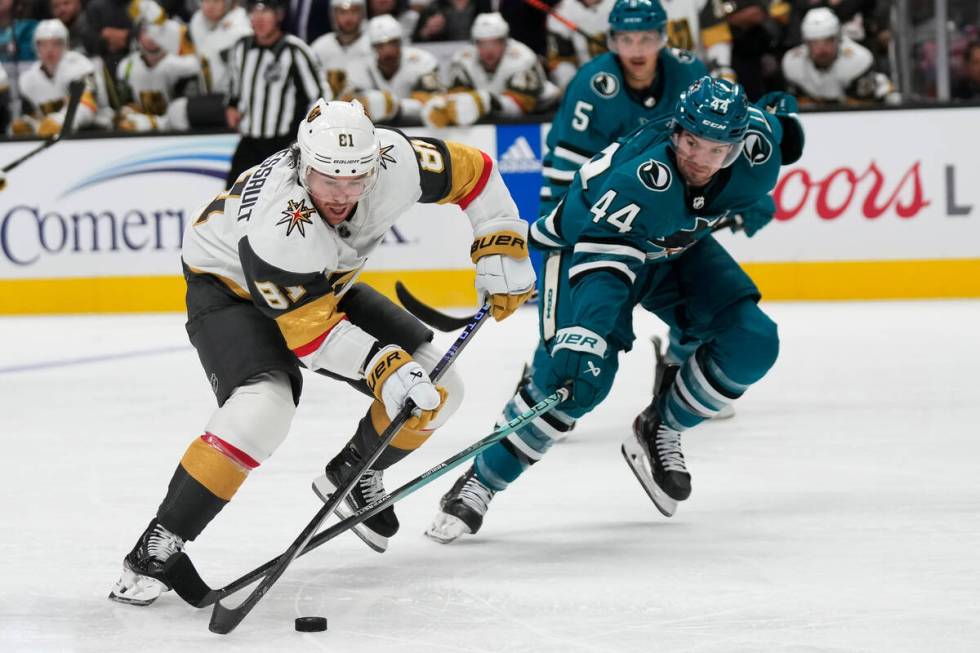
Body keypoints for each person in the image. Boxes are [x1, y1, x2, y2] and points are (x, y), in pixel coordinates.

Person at [108, 98, 536, 606]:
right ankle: (157, 545)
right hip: (229, 288)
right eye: (329, 180)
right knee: (263, 408)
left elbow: (475, 173)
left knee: (441, 386)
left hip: (321, 282)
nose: (342, 195)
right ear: (301, 164)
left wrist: (501, 238)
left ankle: (356, 473)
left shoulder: (394, 159)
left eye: (357, 179)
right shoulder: (276, 226)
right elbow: (310, 336)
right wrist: (382, 365)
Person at [426, 76, 804, 543]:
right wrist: (588, 333)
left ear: (739, 144)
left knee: (753, 341)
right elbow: (603, 268)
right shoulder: (637, 180)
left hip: (671, 251)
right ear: (675, 133)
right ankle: (481, 480)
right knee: (576, 380)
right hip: (592, 248)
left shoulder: (757, 150)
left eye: (717, 150)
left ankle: (659, 428)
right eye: (691, 143)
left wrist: (787, 121)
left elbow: (778, 127)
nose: (701, 160)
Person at [539, 0, 705, 222]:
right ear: (613, 41)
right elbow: (567, 168)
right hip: (594, 197)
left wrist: (739, 192)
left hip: (662, 199)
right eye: (627, 39)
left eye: (646, 38)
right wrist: (566, 223)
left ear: (662, 38)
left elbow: (712, 143)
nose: (637, 50)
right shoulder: (589, 85)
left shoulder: (689, 73)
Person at [224, 0, 327, 186]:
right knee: (232, 198)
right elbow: (234, 86)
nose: (259, 18)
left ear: (279, 15)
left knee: (285, 198)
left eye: (266, 12)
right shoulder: (241, 48)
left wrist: (306, 134)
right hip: (250, 140)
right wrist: (232, 105)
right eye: (254, 12)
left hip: (284, 143)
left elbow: (318, 96)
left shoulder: (295, 50)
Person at [421, 12, 559, 128]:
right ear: (475, 43)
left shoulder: (523, 57)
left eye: (495, 42)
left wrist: (487, 101)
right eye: (482, 43)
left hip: (541, 114)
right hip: (491, 120)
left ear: (505, 41)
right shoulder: (462, 60)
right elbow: (460, 98)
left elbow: (521, 106)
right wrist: (444, 106)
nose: (488, 50)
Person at [781, 6, 896, 106]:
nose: (821, 49)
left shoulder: (858, 59)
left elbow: (864, 110)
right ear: (806, 43)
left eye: (828, 41)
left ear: (838, 39)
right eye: (814, 43)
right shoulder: (793, 62)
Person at [341, 14, 442, 123]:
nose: (388, 52)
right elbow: (348, 107)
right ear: (371, 48)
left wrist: (392, 106)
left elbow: (434, 105)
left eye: (393, 43)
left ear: (401, 43)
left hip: (417, 127)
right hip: (375, 130)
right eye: (381, 46)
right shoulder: (358, 68)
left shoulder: (422, 61)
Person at [11, 18, 105, 135]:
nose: (49, 50)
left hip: (94, 133)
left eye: (56, 43)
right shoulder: (28, 80)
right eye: (43, 44)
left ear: (65, 45)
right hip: (53, 138)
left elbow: (88, 106)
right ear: (36, 47)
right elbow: (36, 117)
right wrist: (29, 125)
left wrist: (61, 121)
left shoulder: (81, 67)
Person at [114, 19, 204, 132]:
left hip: (176, 130)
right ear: (137, 37)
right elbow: (125, 103)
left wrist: (154, 123)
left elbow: (185, 111)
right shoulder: (126, 66)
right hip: (140, 130)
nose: (153, 37)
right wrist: (128, 111)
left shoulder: (185, 65)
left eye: (159, 32)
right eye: (146, 32)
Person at [545, 0, 615, 91]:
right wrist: (574, 88)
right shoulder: (561, 12)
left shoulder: (629, 4)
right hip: (587, 83)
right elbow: (561, 61)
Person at [188, 0, 252, 96]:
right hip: (207, 87)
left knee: (179, 108)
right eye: (206, 1)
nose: (210, 6)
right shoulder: (197, 19)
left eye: (216, 1)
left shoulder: (241, 22)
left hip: (233, 95)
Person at [310, 0, 371, 98]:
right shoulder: (320, 47)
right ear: (333, 14)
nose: (348, 18)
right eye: (342, 12)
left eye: (354, 11)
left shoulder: (372, 45)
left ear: (363, 13)